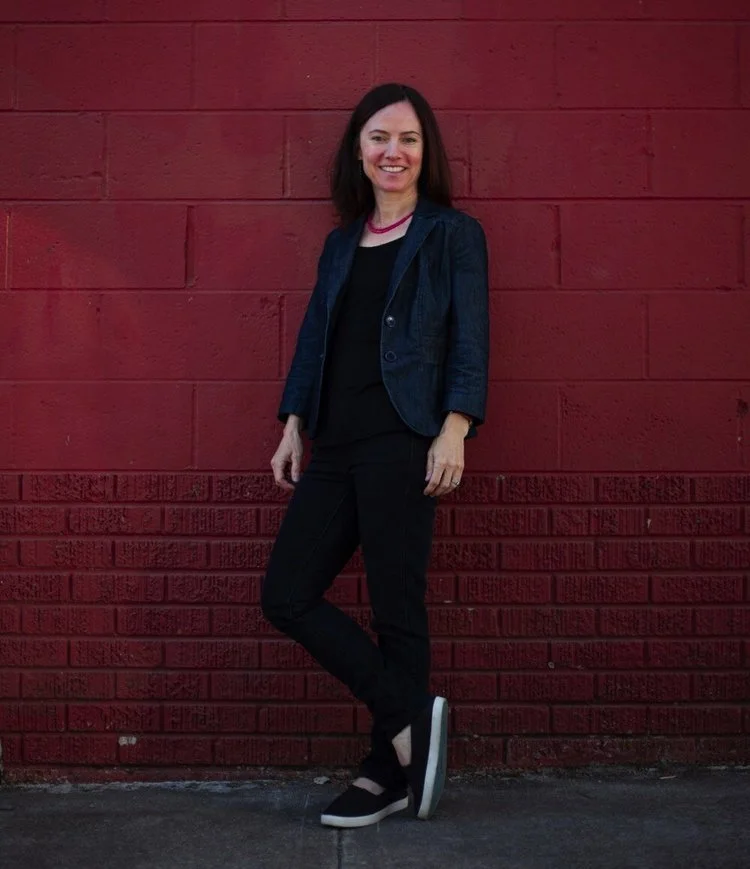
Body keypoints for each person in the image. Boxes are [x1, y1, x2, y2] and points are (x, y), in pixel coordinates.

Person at [261, 82, 489, 829]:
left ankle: (387, 770)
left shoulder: (452, 235)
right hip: (334, 442)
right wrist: (293, 419)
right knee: (286, 592)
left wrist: (456, 424)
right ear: (358, 151)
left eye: (410, 139)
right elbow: (314, 335)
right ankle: (409, 720)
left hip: (403, 439)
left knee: (398, 607)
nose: (394, 151)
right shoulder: (340, 242)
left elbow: (471, 336)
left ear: (427, 154)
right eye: (380, 138)